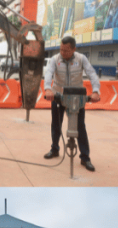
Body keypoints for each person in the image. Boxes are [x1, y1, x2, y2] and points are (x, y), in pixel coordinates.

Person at [42, 36, 101, 171]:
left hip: (76, 98)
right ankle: (55, 149)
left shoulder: (81, 59)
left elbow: (92, 74)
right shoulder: (55, 60)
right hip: (58, 96)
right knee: (56, 124)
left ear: (74, 49)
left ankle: (85, 158)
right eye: (61, 50)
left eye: (67, 50)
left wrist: (96, 91)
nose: (63, 53)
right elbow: (49, 73)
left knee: (80, 127)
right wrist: (48, 89)